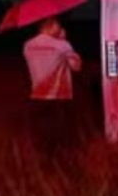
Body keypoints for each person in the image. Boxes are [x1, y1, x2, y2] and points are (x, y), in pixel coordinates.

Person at [23, 17, 83, 151]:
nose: (59, 28)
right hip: (59, 97)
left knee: (41, 137)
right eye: (57, 24)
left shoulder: (28, 45)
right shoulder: (62, 45)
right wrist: (64, 41)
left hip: (37, 96)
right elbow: (76, 66)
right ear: (51, 26)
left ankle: (42, 164)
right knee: (61, 138)